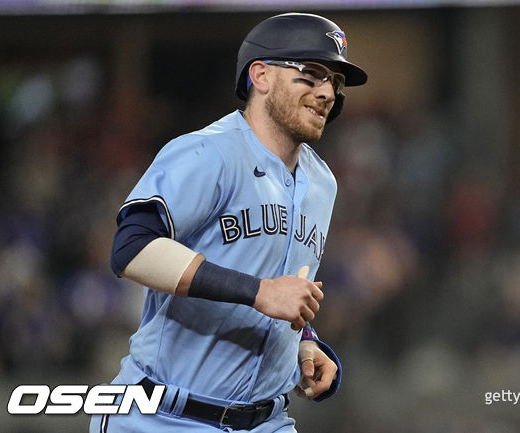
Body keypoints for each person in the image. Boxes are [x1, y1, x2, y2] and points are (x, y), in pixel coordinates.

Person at [89, 12, 367, 433]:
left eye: (335, 81)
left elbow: (280, 288)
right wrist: (259, 293)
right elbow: (131, 248)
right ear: (261, 76)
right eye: (311, 74)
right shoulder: (206, 153)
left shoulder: (322, 182)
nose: (327, 91)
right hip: (165, 415)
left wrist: (305, 344)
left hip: (267, 420)